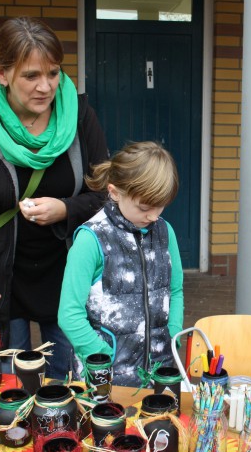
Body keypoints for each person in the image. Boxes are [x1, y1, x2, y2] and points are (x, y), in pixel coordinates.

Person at [0, 17, 109, 379]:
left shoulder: (80, 118)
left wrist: (66, 209)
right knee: (12, 387)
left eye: (54, 73)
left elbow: (106, 193)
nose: (46, 87)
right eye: (31, 76)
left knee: (68, 383)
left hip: (66, 275)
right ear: (3, 73)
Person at [58, 141, 184, 387]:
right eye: (144, 207)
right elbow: (69, 315)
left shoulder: (165, 232)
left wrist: (173, 334)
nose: (153, 216)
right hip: (106, 379)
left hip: (160, 371)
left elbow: (175, 290)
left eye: (160, 206)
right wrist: (101, 356)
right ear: (115, 192)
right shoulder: (91, 240)